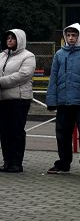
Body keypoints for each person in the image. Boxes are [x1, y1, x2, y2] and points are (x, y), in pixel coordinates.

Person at [0, 29, 35, 173]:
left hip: (18, 99)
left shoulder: (28, 56)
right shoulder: (0, 56)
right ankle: (7, 161)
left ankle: (16, 162)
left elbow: (23, 75)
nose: (9, 40)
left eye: (13, 38)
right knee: (4, 131)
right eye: (8, 38)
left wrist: (0, 81)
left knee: (16, 131)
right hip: (0, 98)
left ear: (20, 40)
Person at [47, 23, 80, 174]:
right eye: (69, 35)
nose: (71, 38)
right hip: (63, 101)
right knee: (62, 134)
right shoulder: (59, 54)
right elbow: (53, 78)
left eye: (74, 35)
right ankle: (63, 163)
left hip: (78, 101)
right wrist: (51, 101)